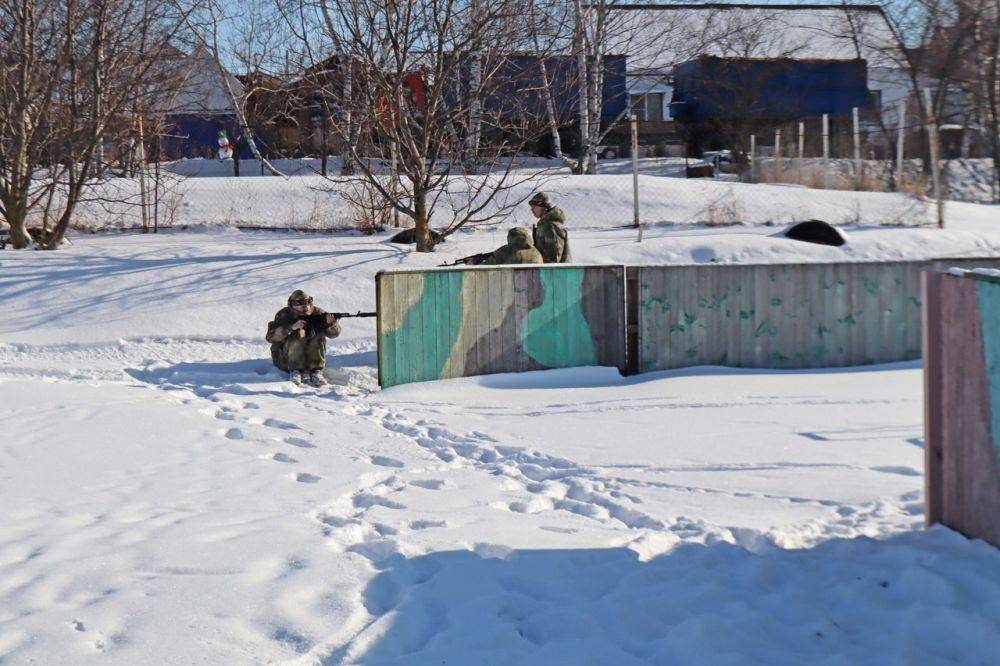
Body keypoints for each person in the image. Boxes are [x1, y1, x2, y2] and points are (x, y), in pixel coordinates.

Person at [266, 289, 342, 386]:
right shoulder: (284, 314)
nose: (305, 308)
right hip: (285, 359)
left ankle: (316, 371)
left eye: (307, 304)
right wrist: (291, 328)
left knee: (317, 333)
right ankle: (295, 371)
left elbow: (334, 334)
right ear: (293, 305)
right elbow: (270, 337)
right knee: (298, 333)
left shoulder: (318, 313)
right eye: (301, 306)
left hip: (310, 358)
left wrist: (331, 324)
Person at [528, 192, 571, 264]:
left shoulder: (551, 227)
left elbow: (554, 259)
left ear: (542, 206)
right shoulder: (544, 225)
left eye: (534, 207)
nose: (531, 210)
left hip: (555, 272)